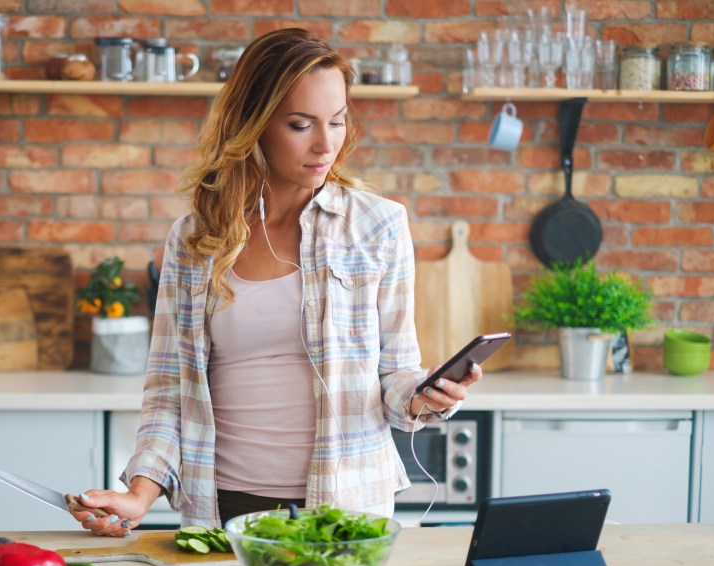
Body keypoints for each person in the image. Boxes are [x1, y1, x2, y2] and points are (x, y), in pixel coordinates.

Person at [72, 28, 481, 536]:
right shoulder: (197, 238)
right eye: (300, 124)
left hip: (343, 507)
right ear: (255, 124)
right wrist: (139, 492)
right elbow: (170, 389)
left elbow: (395, 376)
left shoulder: (378, 226)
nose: (325, 143)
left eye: (337, 121)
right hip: (224, 506)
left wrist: (425, 396)